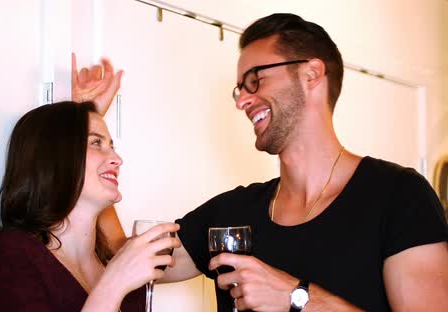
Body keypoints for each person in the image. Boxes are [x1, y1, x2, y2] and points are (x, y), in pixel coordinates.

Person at [102, 13, 448, 311]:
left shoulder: (398, 196)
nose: (243, 101)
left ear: (311, 75)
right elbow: (121, 259)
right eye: (240, 88)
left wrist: (296, 297)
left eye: (256, 80)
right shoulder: (232, 214)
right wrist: (88, 133)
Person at [0, 57, 180, 311]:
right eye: (96, 143)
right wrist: (114, 284)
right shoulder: (11, 259)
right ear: (56, 157)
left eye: (111, 146)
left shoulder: (115, 261)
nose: (117, 159)